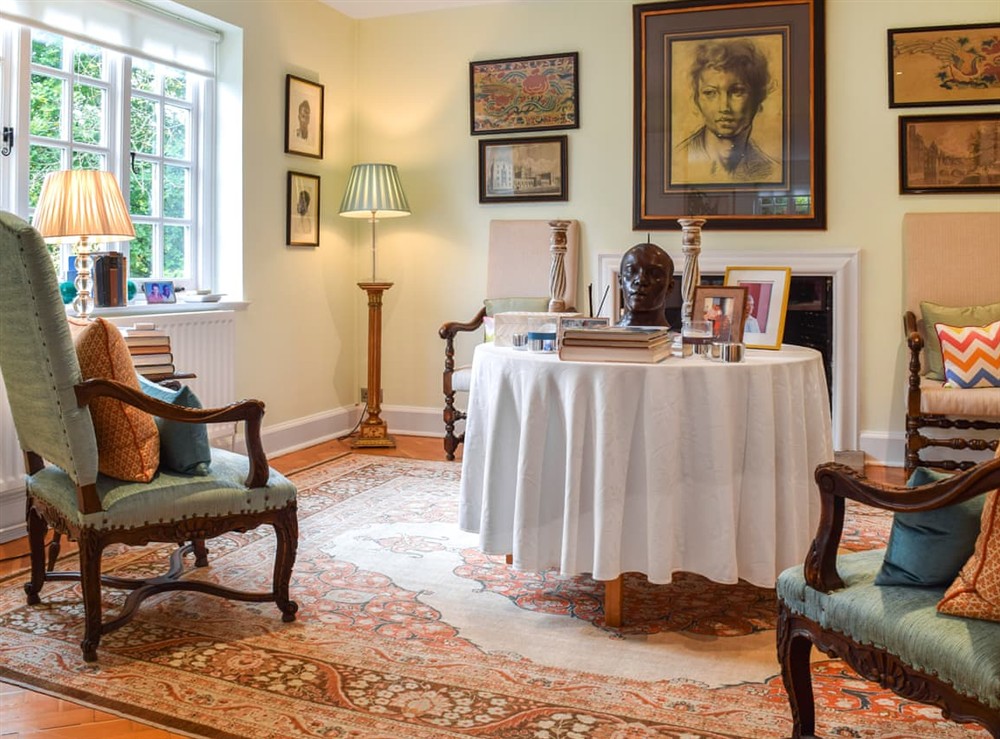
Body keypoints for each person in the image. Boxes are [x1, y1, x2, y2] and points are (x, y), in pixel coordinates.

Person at [673, 38, 779, 184]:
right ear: (697, 99)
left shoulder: (772, 172)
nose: (724, 107)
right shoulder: (675, 163)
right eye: (710, 93)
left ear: (758, 97)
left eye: (737, 92)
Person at [617, 242, 675, 327]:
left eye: (654, 273)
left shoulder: (679, 339)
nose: (640, 280)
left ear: (670, 287)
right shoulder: (602, 338)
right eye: (631, 272)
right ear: (621, 282)